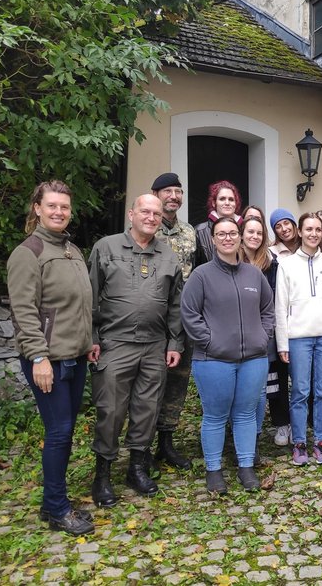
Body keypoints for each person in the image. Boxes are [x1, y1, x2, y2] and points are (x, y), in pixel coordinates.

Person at [6, 181, 94, 536]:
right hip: (48, 361)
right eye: (52, 206)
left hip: (75, 357)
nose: (59, 212)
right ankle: (57, 509)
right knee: (59, 432)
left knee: (65, 430)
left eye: (65, 207)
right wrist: (39, 357)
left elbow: (80, 304)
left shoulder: (72, 250)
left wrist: (89, 342)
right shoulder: (28, 253)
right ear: (37, 208)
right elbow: (24, 311)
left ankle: (52, 501)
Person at [87, 194, 184, 507]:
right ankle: (102, 473)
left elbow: (176, 305)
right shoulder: (107, 248)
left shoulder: (168, 256)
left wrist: (174, 342)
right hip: (115, 343)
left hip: (155, 345)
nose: (152, 217)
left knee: (147, 408)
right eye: (145, 211)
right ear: (131, 214)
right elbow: (89, 295)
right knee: (111, 410)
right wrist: (91, 336)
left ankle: (137, 468)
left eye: (156, 213)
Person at [182, 216, 275, 493]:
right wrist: (210, 341)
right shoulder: (201, 275)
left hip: (253, 359)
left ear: (239, 237)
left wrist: (262, 336)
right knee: (215, 416)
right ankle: (214, 470)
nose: (227, 238)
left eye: (232, 233)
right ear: (213, 239)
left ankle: (246, 467)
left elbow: (268, 310)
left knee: (246, 414)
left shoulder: (254, 275)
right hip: (214, 361)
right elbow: (189, 314)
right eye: (221, 234)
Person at [275, 213, 322, 465]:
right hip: (299, 338)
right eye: (309, 229)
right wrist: (282, 342)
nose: (314, 233)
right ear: (300, 231)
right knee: (300, 391)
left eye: (318, 229)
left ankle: (320, 440)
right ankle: (299, 442)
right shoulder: (286, 264)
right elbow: (280, 306)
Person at [149, 173, 196, 470]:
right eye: (168, 191)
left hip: (183, 320)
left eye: (178, 191)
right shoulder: (147, 229)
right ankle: (141, 447)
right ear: (156, 194)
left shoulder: (190, 232)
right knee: (149, 384)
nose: (174, 196)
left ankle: (166, 443)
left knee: (177, 384)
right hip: (152, 319)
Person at [239, 212, 281, 463]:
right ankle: (237, 440)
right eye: (250, 232)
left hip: (262, 335)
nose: (254, 236)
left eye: (259, 232)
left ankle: (253, 443)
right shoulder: (232, 260)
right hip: (236, 336)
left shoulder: (271, 265)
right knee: (239, 390)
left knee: (259, 390)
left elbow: (273, 302)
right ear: (242, 235)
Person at [267, 208, 298, 446]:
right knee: (277, 376)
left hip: (304, 324)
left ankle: (300, 421)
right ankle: (281, 423)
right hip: (279, 324)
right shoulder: (271, 254)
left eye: (287, 223)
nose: (284, 228)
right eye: (279, 226)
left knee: (302, 378)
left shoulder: (309, 248)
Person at [194, 180, 242, 266]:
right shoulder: (199, 231)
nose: (227, 203)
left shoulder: (245, 228)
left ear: (236, 203)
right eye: (222, 199)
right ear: (213, 203)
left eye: (231, 199)